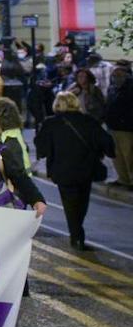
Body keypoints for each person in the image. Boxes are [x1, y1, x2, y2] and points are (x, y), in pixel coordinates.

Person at [35, 91, 114, 250]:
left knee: (69, 203)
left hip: (62, 170)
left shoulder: (51, 123)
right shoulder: (89, 121)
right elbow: (106, 141)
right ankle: (77, 232)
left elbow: (41, 148)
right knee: (82, 202)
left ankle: (76, 235)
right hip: (86, 169)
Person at [106, 67, 133, 189]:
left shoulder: (130, 89)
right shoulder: (112, 88)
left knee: (129, 156)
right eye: (114, 75)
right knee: (117, 155)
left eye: (119, 75)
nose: (116, 78)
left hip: (126, 128)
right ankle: (123, 179)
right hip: (113, 126)